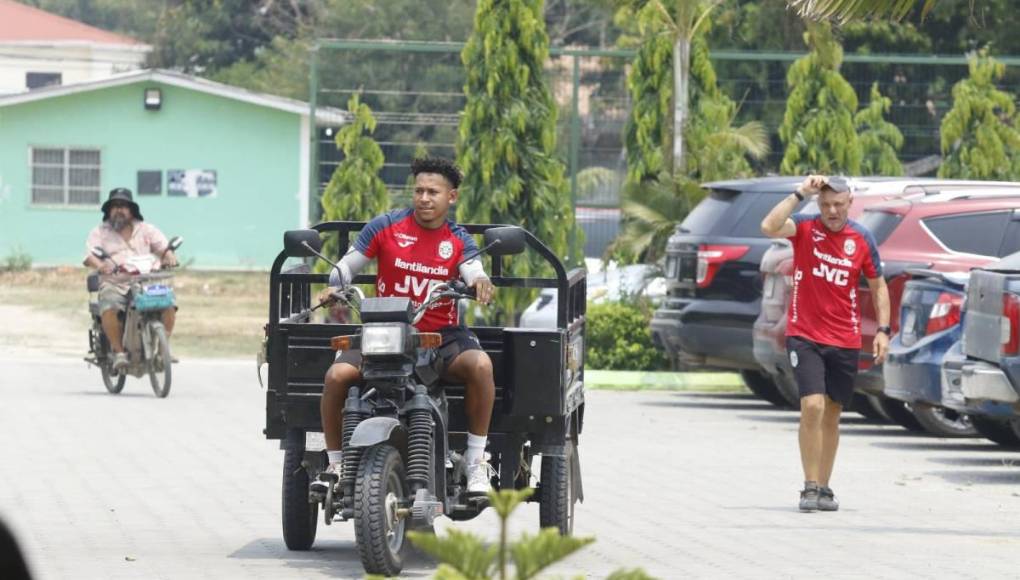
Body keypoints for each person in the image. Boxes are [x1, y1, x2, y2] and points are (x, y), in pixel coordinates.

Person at [311, 157, 498, 495]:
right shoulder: (385, 226)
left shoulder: (457, 239)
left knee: (482, 365)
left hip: (440, 336)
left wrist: (481, 281)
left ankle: (475, 462)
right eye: (419, 191)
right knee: (336, 376)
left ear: (451, 197)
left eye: (433, 192)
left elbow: (473, 268)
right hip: (384, 332)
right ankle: (335, 463)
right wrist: (335, 284)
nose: (425, 198)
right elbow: (346, 266)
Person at [760, 175, 890, 512]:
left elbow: (878, 286)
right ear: (819, 204)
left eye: (838, 204)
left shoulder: (862, 238)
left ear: (849, 203)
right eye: (826, 204)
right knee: (812, 406)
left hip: (844, 338)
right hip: (804, 335)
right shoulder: (804, 228)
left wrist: (883, 330)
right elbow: (769, 226)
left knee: (832, 412)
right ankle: (809, 486)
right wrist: (800, 193)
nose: (832, 211)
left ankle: (825, 487)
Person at [83, 188, 178, 371]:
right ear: (108, 211)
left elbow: (164, 249)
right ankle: (119, 352)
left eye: (123, 206)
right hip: (115, 282)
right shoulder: (99, 232)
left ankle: (162, 351)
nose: (119, 210)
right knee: (109, 307)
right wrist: (101, 265)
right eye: (115, 206)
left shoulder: (147, 229)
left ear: (131, 210)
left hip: (146, 283)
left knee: (169, 304)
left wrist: (169, 256)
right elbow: (89, 256)